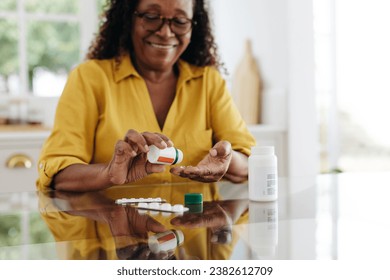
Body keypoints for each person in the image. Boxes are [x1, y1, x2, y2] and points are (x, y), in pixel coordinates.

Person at [37, 0, 256, 192]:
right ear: (128, 19)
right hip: (113, 234)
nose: (166, 32)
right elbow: (58, 173)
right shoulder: (90, 78)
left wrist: (228, 161)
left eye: (179, 21)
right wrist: (109, 173)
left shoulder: (209, 82)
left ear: (193, 26)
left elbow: (249, 161)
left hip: (193, 235)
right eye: (151, 17)